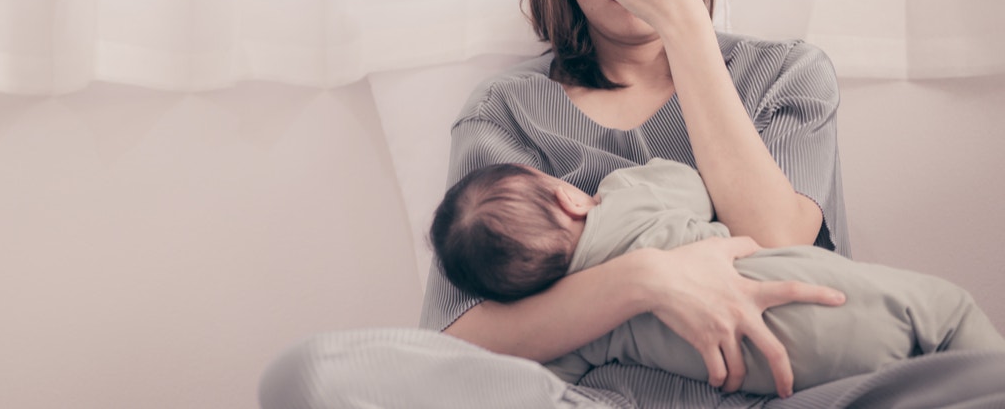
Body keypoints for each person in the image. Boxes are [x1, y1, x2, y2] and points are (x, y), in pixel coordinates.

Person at [259, 0, 1005, 406]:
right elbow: (463, 338)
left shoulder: (787, 74)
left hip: (797, 388)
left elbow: (778, 233)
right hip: (585, 399)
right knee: (312, 373)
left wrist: (682, 21)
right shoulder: (510, 110)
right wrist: (646, 281)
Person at [430, 158, 1005, 395]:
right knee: (949, 311)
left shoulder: (577, 331)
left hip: (804, 381)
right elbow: (688, 181)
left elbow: (534, 374)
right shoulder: (627, 198)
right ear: (569, 196)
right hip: (845, 302)